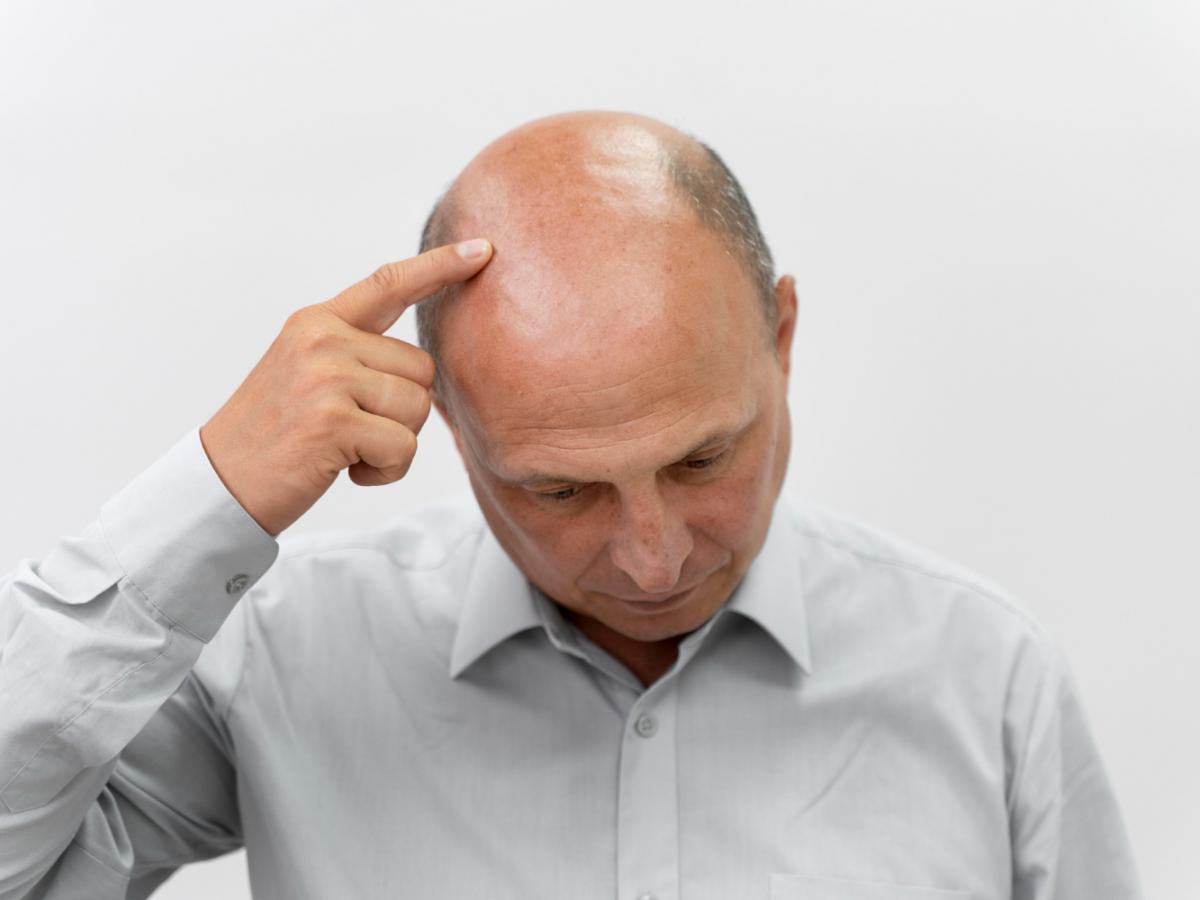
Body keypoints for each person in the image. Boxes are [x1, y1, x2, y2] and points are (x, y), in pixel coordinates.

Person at [0, 111, 1141, 899]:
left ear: (783, 339)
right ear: (449, 421)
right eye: (559, 488)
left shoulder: (985, 679)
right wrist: (213, 496)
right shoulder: (287, 663)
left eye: (703, 460)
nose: (653, 559)